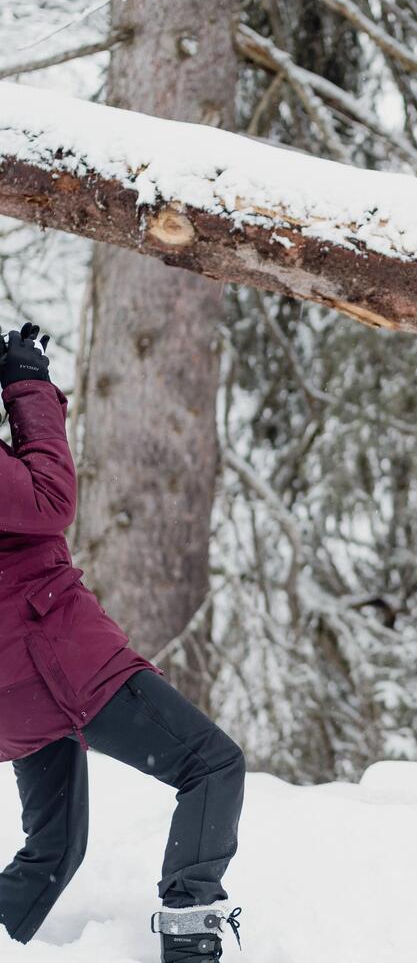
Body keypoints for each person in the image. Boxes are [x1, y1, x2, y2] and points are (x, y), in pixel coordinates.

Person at [0, 323, 245, 960]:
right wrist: (27, 387)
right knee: (213, 767)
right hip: (56, 663)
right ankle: (191, 938)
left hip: (14, 694)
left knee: (55, 849)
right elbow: (49, 501)